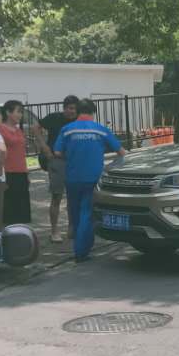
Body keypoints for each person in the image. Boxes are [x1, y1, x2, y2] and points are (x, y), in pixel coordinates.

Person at [53, 97, 125, 262]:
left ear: (77, 112)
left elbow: (57, 152)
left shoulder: (67, 130)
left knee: (75, 213)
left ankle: (81, 246)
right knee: (87, 213)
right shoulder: (101, 130)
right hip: (93, 178)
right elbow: (121, 152)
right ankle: (81, 251)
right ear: (93, 112)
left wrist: (71, 155)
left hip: (72, 177)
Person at [35, 95, 79, 243]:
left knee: (73, 196)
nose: (72, 111)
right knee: (57, 196)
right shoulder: (54, 118)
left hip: (73, 161)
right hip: (56, 160)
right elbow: (36, 127)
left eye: (75, 109)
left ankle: (72, 228)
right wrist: (44, 146)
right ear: (64, 108)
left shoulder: (78, 121)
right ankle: (54, 230)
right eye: (70, 108)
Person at [0, 99, 31, 224]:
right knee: (8, 209)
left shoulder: (18, 130)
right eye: (18, 111)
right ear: (8, 112)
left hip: (21, 173)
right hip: (7, 172)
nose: (20, 115)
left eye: (22, 112)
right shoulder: (0, 129)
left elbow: (21, 153)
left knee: (21, 209)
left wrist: (26, 172)